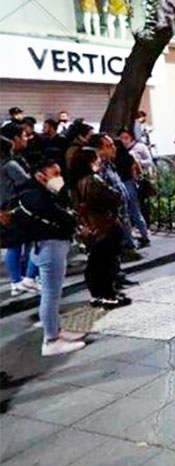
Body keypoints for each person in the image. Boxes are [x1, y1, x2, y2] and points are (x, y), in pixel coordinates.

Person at [15, 158, 86, 355]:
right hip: (49, 246)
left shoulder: (40, 193)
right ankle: (51, 340)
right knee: (50, 295)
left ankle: (56, 331)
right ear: (40, 176)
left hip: (47, 246)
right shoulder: (37, 197)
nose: (59, 178)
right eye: (54, 174)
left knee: (52, 294)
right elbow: (60, 218)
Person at [70, 148, 131, 309]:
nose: (99, 161)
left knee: (95, 263)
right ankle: (108, 295)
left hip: (90, 228)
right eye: (96, 158)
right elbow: (112, 198)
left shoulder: (75, 183)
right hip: (104, 225)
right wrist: (113, 193)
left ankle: (98, 295)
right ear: (90, 162)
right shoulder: (93, 181)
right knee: (106, 262)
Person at [1, 124, 40, 296]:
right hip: (15, 207)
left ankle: (19, 280)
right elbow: (26, 182)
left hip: (4, 208)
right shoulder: (10, 165)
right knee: (17, 244)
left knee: (14, 244)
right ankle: (18, 281)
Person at [116, 129, 152, 248]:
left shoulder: (114, 160)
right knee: (136, 211)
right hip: (130, 184)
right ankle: (145, 235)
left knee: (125, 214)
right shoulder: (129, 157)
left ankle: (128, 239)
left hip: (122, 184)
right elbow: (136, 171)